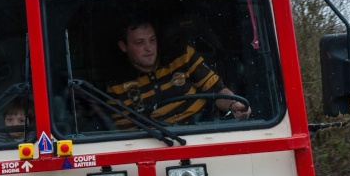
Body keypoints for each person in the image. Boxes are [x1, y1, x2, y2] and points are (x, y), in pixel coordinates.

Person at [106, 18, 251, 130]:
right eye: (139, 42)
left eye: (152, 40)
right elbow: (129, 136)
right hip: (157, 142)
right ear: (123, 46)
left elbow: (217, 90)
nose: (148, 48)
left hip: (203, 130)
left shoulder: (183, 56)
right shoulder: (117, 87)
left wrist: (233, 104)